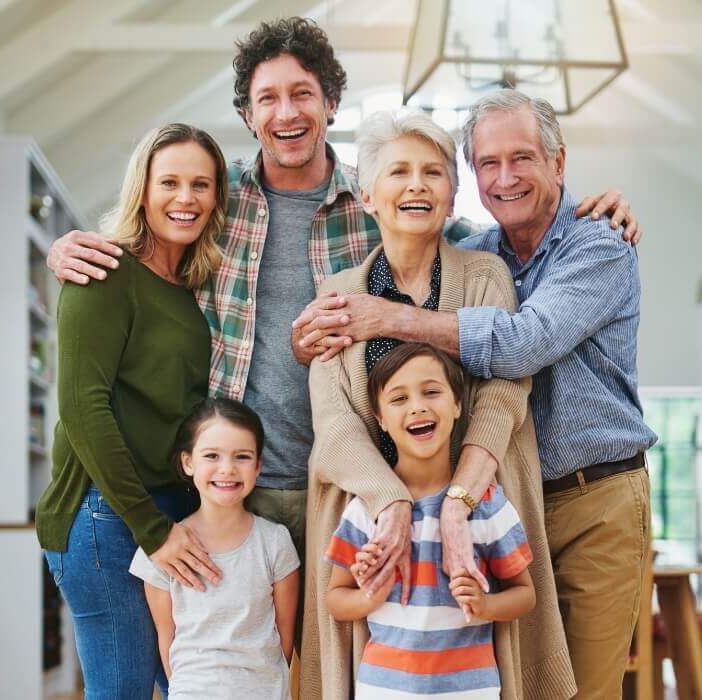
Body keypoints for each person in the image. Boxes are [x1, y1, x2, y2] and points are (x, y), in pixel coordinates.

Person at [45, 17, 641, 589]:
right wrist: (68, 246)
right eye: (268, 98)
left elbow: (488, 235)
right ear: (247, 115)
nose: (287, 113)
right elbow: (150, 234)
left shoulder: (379, 195)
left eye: (302, 94)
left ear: (331, 103)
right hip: (234, 483)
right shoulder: (216, 201)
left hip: (359, 486)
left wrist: (586, 205)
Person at [297, 90, 656, 699]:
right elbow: (333, 424)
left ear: (559, 163)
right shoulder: (359, 286)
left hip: (551, 503)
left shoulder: (582, 247)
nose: (506, 177)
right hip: (382, 532)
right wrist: (396, 504)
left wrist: (456, 500)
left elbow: (511, 368)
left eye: (433, 172)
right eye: (489, 163)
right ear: (366, 194)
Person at [35, 123, 228, 698]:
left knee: (185, 686)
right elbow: (82, 407)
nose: (185, 198)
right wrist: (152, 529)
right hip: (104, 515)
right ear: (142, 189)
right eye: (169, 181)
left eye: (201, 184)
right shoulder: (103, 270)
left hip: (171, 508)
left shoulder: (192, 283)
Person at [326, 342, 536, 699]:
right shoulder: (366, 511)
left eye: (431, 392)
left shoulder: (487, 504)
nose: (418, 406)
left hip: (471, 692)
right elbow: (336, 599)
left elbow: (525, 595)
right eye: (399, 399)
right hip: (383, 691)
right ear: (380, 419)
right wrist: (369, 595)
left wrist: (485, 606)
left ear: (457, 406)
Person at [129, 398, 300, 700]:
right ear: (188, 462)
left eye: (242, 457)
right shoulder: (159, 553)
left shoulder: (275, 542)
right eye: (211, 455)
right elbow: (166, 640)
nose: (227, 469)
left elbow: (285, 640)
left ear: (259, 465)